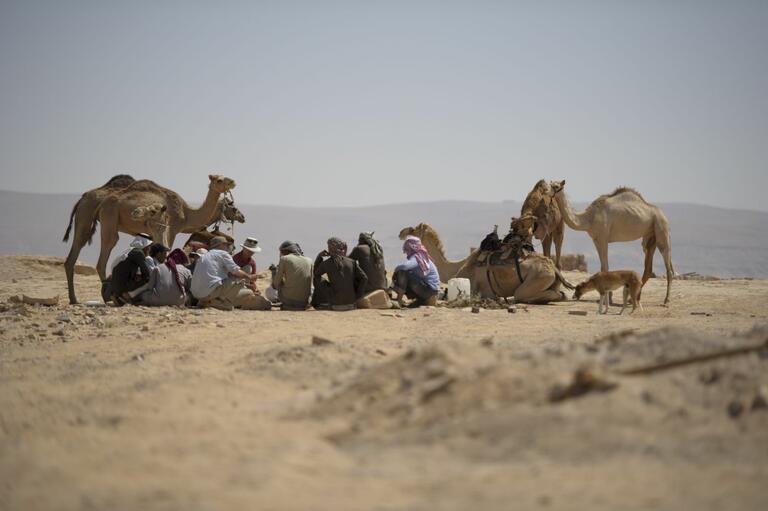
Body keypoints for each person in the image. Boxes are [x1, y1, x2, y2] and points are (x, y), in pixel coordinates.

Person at [190, 236, 271, 311]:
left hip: (197, 294)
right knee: (240, 283)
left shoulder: (205, 255)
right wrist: (249, 277)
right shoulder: (224, 254)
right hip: (214, 291)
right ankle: (221, 304)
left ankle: (208, 301)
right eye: (226, 245)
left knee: (247, 290)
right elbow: (235, 272)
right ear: (221, 245)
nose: (227, 247)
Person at [312, 237, 368, 311]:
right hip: (352, 304)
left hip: (335, 305)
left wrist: (319, 257)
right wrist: (358, 295)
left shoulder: (326, 263)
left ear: (330, 248)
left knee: (316, 279)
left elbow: (316, 274)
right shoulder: (351, 262)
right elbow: (364, 278)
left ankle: (321, 301)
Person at [392, 235, 440, 307]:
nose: (406, 252)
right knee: (405, 273)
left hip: (429, 291)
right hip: (431, 291)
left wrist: (395, 271)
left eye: (407, 249)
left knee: (403, 272)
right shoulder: (422, 257)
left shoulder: (417, 257)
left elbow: (405, 267)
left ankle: (399, 300)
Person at [110, 237, 155, 305]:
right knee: (149, 281)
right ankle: (126, 296)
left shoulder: (129, 251)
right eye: (149, 247)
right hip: (123, 286)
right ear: (144, 246)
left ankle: (120, 297)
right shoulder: (138, 253)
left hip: (116, 286)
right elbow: (147, 274)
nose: (149, 250)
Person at [269, 241, 313, 310]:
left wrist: (274, 272)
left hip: (289, 301)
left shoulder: (284, 259)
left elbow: (275, 285)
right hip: (304, 301)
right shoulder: (309, 260)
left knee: (268, 290)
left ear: (284, 251)